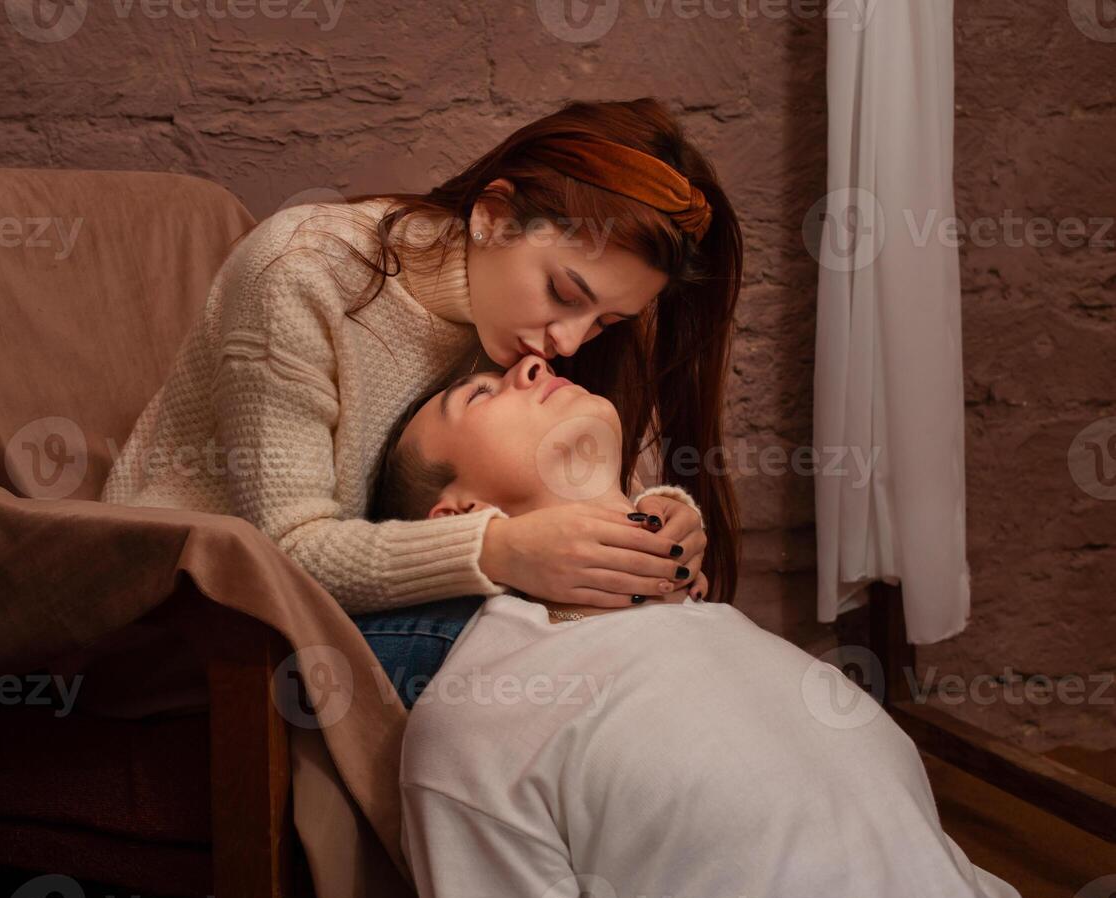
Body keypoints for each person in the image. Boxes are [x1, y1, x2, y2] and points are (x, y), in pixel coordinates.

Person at [382, 359, 1077, 898]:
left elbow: (955, 895)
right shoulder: (482, 717)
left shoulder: (733, 639)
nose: (531, 365)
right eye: (478, 395)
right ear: (462, 514)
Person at [100, 98, 742, 687]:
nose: (571, 343)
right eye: (564, 295)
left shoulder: (530, 330)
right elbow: (285, 555)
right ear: (491, 216)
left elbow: (573, 483)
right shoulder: (301, 272)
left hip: (366, 601)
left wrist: (654, 525)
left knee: (613, 621)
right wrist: (499, 550)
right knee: (529, 641)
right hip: (202, 618)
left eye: (605, 321)